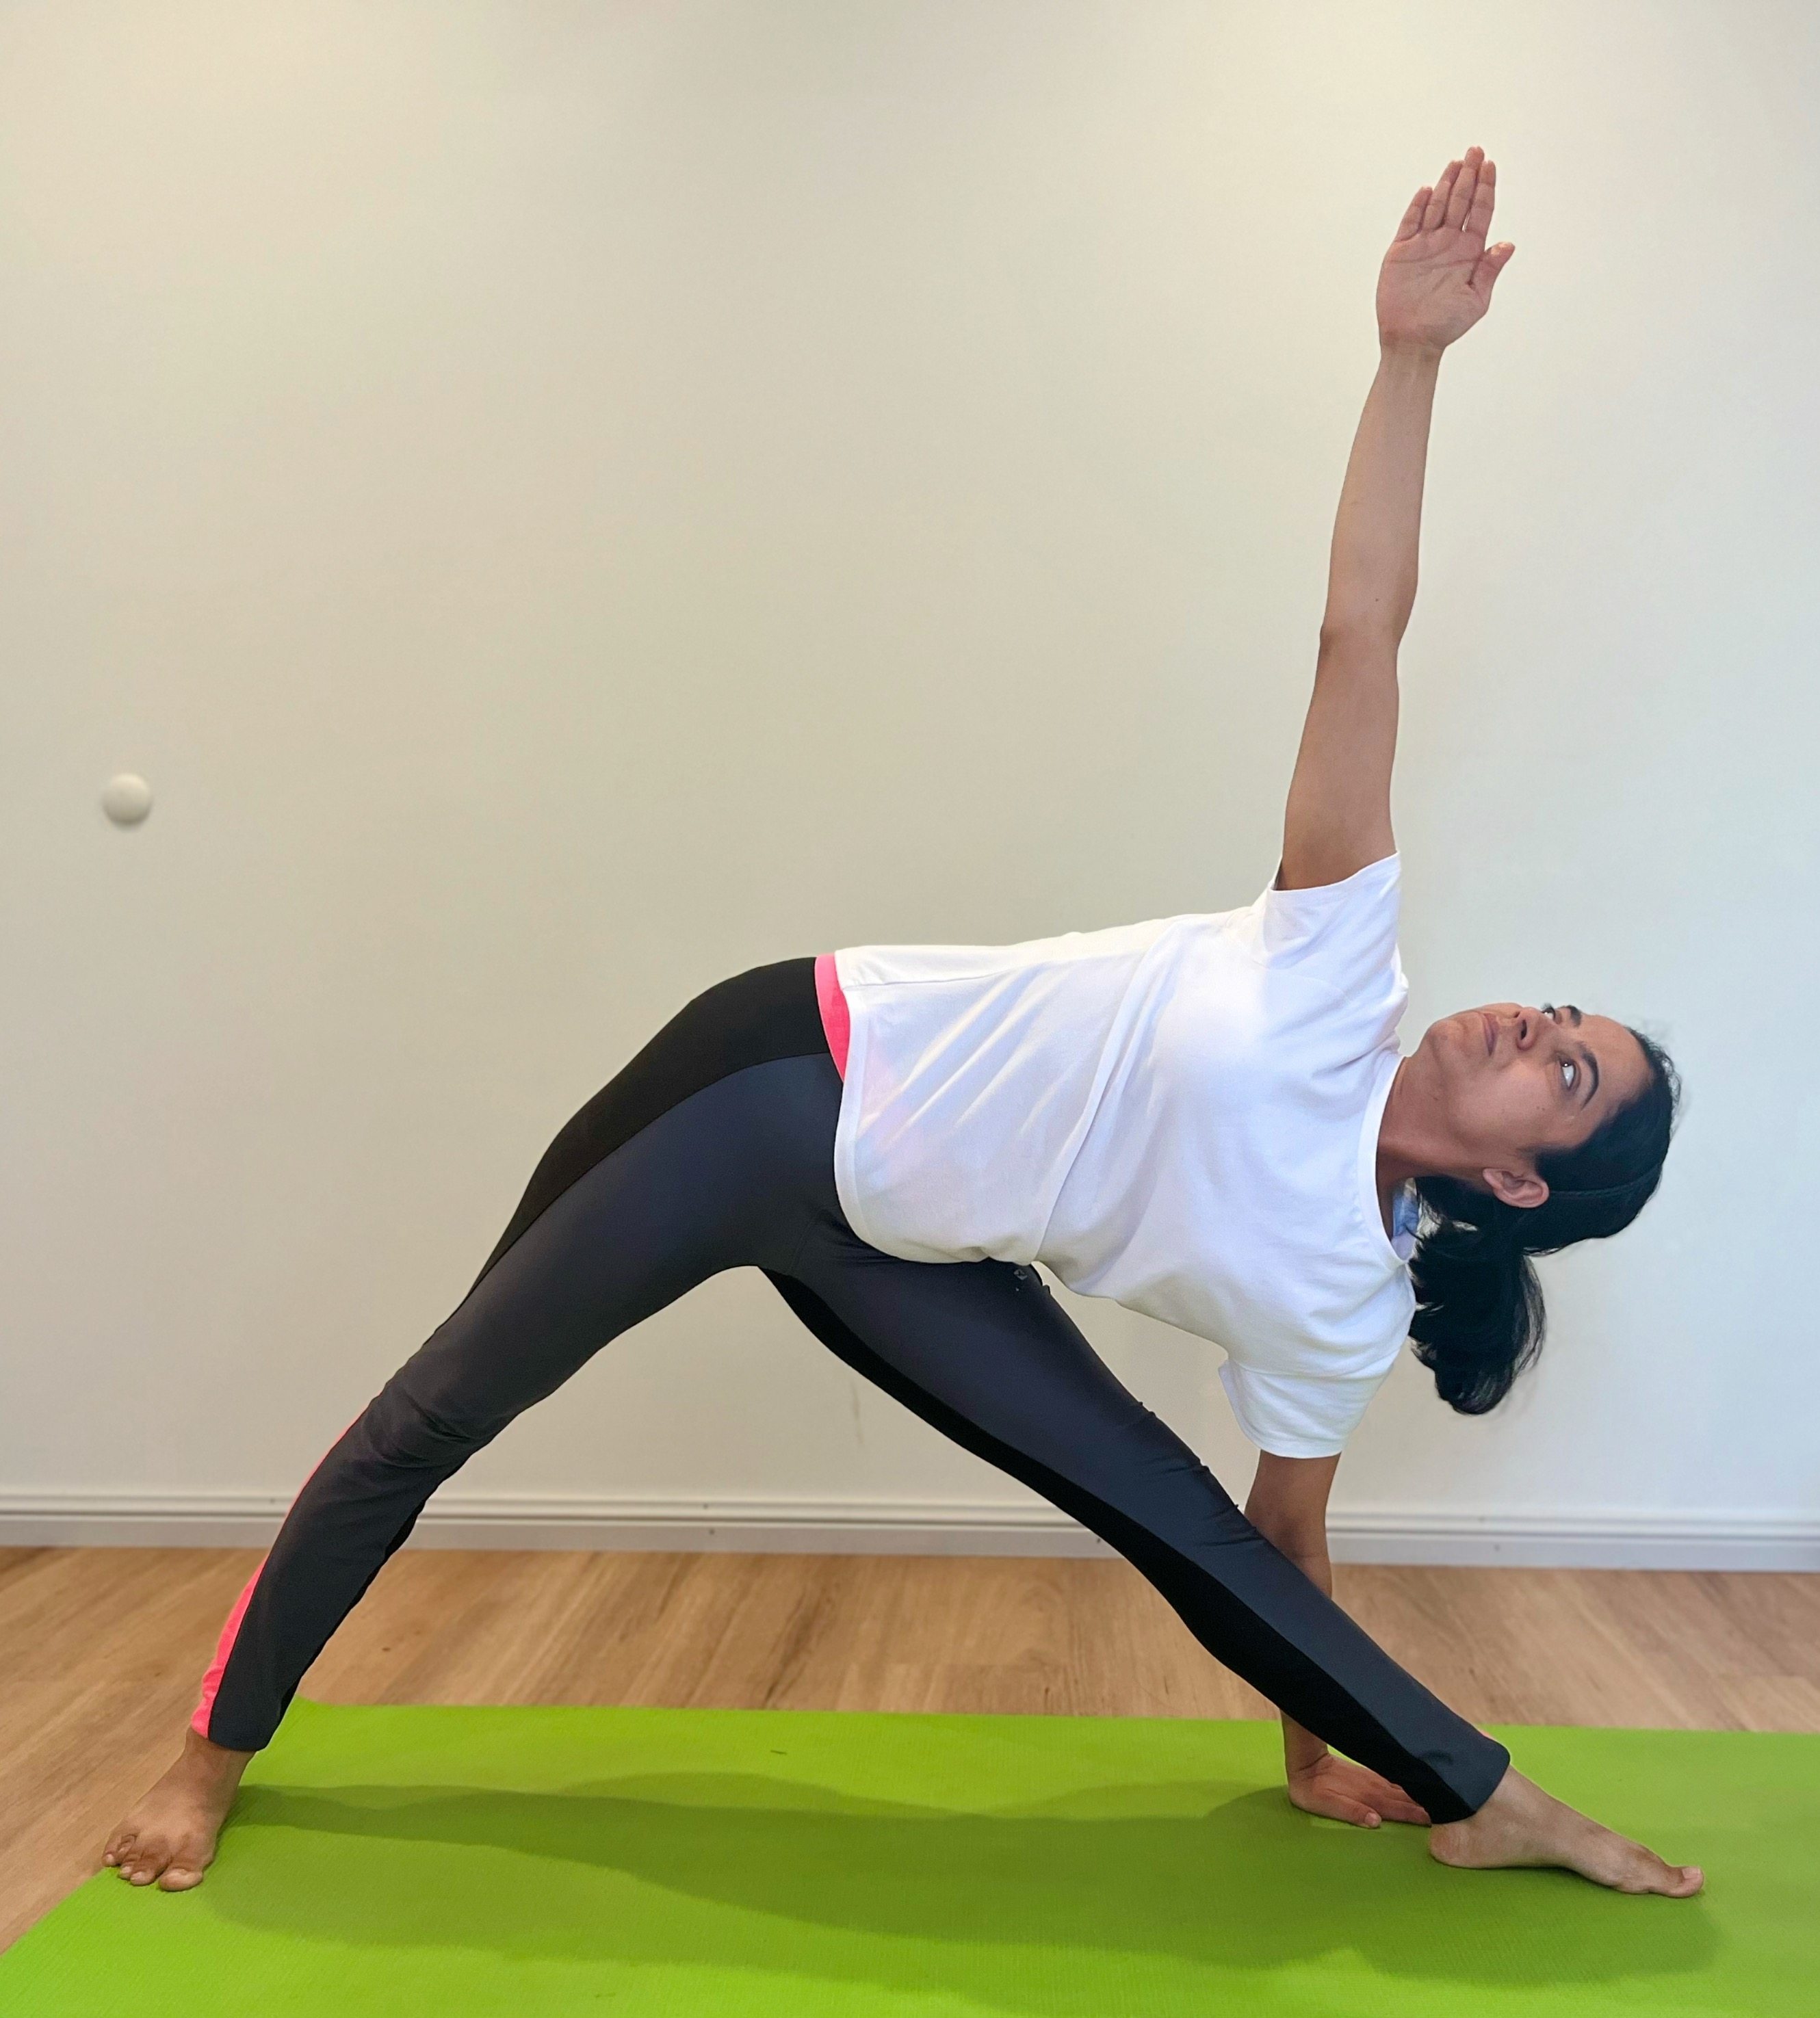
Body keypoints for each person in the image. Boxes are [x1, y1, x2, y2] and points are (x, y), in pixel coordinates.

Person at [103, 147, 1701, 1899]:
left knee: (1162, 1511)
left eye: (1564, 1069)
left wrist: (1323, 1753)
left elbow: (1274, 1542)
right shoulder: (1336, 967)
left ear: (1528, 1186)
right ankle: (210, 1758)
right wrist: (1409, 363)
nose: (1517, 1028)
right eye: (1552, 1012)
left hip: (914, 1247)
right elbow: (1360, 634)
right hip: (771, 1084)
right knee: (440, 1407)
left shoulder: (1342, 1300)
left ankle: (1480, 1791)